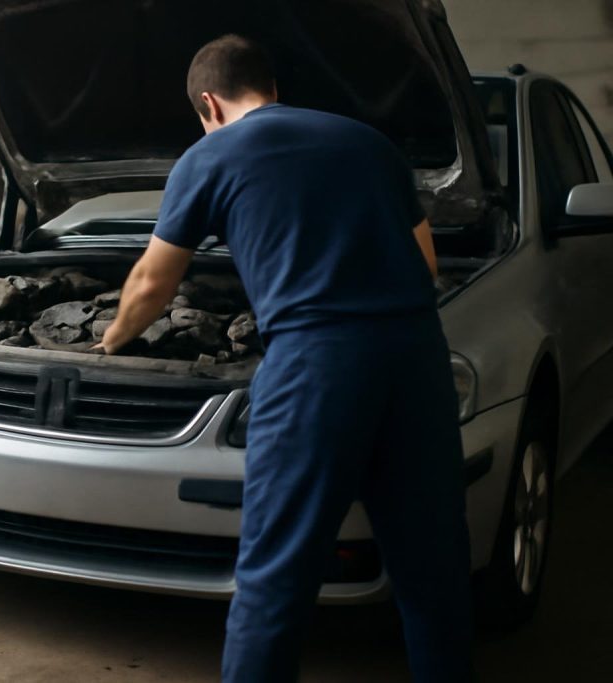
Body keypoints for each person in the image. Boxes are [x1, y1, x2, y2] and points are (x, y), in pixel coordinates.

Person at [95, 34, 473, 682]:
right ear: (269, 87)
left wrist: (110, 340)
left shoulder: (210, 154)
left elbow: (151, 286)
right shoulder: (368, 144)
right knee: (434, 570)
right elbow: (428, 265)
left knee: (277, 573)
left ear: (208, 102)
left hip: (316, 367)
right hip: (416, 358)